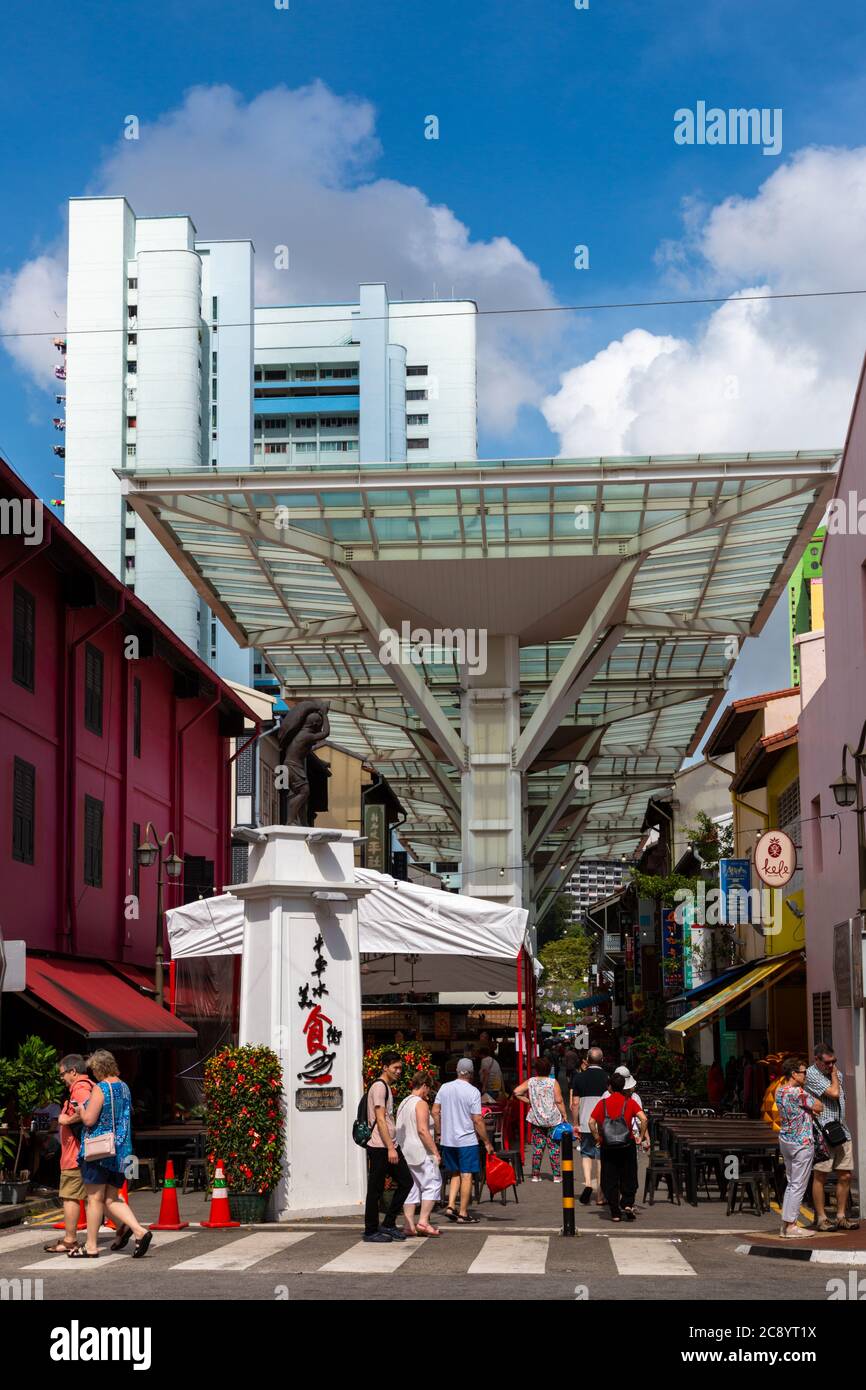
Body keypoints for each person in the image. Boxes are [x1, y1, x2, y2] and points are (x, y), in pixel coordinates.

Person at [72, 1050, 151, 1258]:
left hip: (100, 1151)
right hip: (122, 1150)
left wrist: (80, 1110)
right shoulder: (124, 1087)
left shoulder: (101, 1088)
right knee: (112, 1198)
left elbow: (89, 1120)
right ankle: (139, 1231)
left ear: (98, 1069)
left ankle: (90, 1246)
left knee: (94, 1199)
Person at [805, 1041, 859, 1231]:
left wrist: (835, 1074)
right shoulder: (812, 1074)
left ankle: (841, 1216)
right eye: (827, 1062)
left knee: (845, 1174)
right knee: (821, 1174)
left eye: (833, 1062)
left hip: (841, 1130)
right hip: (823, 1132)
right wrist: (835, 1075)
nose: (831, 1066)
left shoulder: (835, 1073)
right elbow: (834, 1093)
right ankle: (821, 1218)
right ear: (817, 1060)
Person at [432, 1058, 494, 1224]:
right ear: (472, 1073)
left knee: (455, 1173)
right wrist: (486, 1141)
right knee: (467, 1175)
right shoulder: (473, 1091)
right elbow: (477, 1119)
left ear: (458, 1071)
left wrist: (439, 1132)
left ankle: (451, 1206)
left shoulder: (445, 1088)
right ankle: (463, 1213)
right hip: (466, 1140)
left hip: (448, 1139)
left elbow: (435, 1111)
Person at [42, 1055, 93, 1254]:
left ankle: (70, 1240)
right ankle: (126, 1228)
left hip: (75, 1155)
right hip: (80, 1153)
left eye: (62, 1074)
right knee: (96, 1197)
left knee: (70, 1196)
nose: (62, 1078)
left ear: (73, 1071)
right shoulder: (85, 1087)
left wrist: (66, 1120)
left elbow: (86, 1111)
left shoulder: (80, 1089)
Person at [364, 1052, 414, 1243]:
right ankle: (370, 1230)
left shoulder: (385, 1087)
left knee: (406, 1181)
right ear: (385, 1067)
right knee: (375, 1189)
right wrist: (390, 1148)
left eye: (400, 1067)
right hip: (380, 1146)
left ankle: (389, 1223)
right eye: (395, 1068)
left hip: (389, 1145)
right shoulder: (379, 1087)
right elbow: (380, 1119)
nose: (399, 1071)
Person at [589, 1072, 648, 1221]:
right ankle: (627, 1203)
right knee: (628, 1174)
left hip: (608, 1145)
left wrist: (597, 1137)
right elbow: (644, 1119)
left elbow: (591, 1122)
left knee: (610, 1176)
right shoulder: (630, 1102)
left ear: (610, 1087)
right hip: (626, 1144)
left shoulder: (602, 1103)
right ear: (623, 1086)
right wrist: (640, 1137)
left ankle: (615, 1212)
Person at [775, 1057, 822, 1239]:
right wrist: (811, 1109)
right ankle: (791, 1226)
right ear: (794, 1074)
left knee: (791, 1182)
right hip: (802, 1142)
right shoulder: (798, 1093)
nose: (806, 1075)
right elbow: (819, 1105)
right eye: (803, 1072)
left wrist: (807, 1109)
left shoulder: (780, 1091)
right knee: (798, 1185)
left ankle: (786, 1224)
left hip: (786, 1140)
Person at [396, 1071, 441, 1237]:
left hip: (405, 1151)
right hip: (421, 1151)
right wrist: (435, 1151)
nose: (428, 1093)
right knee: (433, 1183)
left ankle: (409, 1224)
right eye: (428, 1089)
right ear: (424, 1086)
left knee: (411, 1187)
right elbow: (423, 1130)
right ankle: (423, 1221)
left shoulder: (403, 1103)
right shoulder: (420, 1103)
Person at [513, 1057, 569, 1183]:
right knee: (554, 1148)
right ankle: (556, 1176)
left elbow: (516, 1092)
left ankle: (535, 1175)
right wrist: (565, 1114)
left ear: (536, 1070)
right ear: (549, 1069)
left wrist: (530, 1102)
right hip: (553, 1120)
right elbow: (559, 1101)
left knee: (538, 1148)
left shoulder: (531, 1081)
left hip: (537, 1119)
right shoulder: (552, 1082)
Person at [570, 1046, 609, 1205]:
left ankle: (587, 1183)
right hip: (602, 1124)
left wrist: (576, 1124)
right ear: (602, 1059)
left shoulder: (579, 1077)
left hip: (585, 1122)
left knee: (586, 1154)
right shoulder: (608, 1077)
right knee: (600, 1158)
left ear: (587, 1059)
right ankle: (600, 1195)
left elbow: (574, 1103)